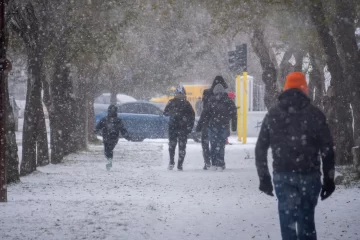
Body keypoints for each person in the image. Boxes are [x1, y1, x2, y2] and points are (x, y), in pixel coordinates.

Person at [255, 72, 335, 240]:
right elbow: (327, 149)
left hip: (283, 175)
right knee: (307, 221)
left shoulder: (273, 115)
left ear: (285, 89)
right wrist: (329, 180)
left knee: (287, 222)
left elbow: (260, 148)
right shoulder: (315, 114)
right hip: (310, 175)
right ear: (304, 90)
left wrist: (264, 178)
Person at [196, 83, 237, 171]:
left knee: (213, 144)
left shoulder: (211, 101)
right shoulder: (228, 101)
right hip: (224, 125)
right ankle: (221, 163)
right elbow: (234, 114)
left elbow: (205, 115)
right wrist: (234, 126)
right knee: (221, 144)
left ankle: (214, 163)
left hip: (213, 126)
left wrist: (200, 126)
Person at [199, 75, 229, 170]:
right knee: (220, 142)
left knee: (206, 142)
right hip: (219, 122)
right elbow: (228, 110)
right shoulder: (224, 95)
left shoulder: (206, 92)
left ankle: (208, 162)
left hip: (207, 121)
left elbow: (204, 107)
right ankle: (220, 162)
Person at [163, 85, 195, 171]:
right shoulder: (186, 104)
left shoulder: (172, 102)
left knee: (173, 146)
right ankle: (178, 164)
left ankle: (173, 162)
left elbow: (165, 113)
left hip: (175, 128)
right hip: (181, 128)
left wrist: (172, 115)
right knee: (180, 147)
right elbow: (192, 117)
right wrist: (189, 127)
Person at [95, 104, 131, 170]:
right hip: (106, 137)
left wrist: (127, 136)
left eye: (113, 111)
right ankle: (109, 159)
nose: (112, 112)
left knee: (109, 149)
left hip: (114, 137)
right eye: (111, 111)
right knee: (107, 150)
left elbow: (122, 129)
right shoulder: (105, 119)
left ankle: (109, 161)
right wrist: (96, 131)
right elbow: (98, 127)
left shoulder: (118, 120)